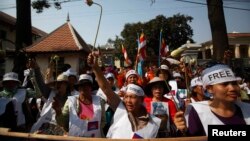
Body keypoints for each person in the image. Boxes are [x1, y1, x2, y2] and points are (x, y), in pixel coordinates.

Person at [87, 52, 161, 139]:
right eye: (126, 97)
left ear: (141, 100)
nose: (128, 101)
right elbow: (105, 88)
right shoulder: (121, 107)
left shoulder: (154, 123)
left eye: (133, 97)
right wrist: (95, 67)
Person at [174, 63, 250, 136]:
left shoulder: (247, 109)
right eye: (224, 84)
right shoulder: (198, 112)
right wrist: (182, 130)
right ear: (209, 88)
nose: (232, 88)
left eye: (234, 83)